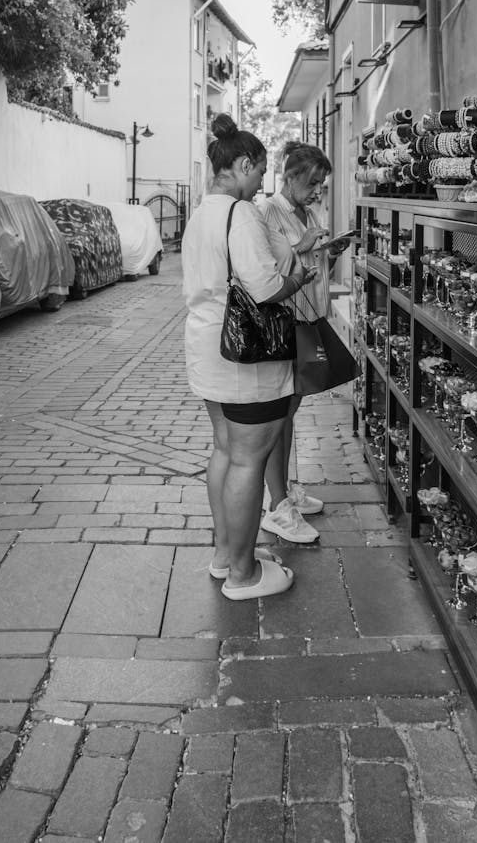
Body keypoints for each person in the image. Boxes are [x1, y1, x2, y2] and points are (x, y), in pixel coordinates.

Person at [181, 115, 316, 600]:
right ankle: (243, 573)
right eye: (259, 173)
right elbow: (264, 286)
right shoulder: (240, 215)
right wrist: (298, 280)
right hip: (243, 359)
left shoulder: (201, 212)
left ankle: (226, 555)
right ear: (241, 165)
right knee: (248, 463)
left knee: (225, 451)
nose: (262, 184)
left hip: (207, 350)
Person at [258, 142, 349, 543]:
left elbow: (313, 265)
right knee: (279, 413)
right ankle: (276, 505)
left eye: (322, 184)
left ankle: (286, 492)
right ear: (289, 176)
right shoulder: (269, 212)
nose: (317, 191)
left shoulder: (308, 212)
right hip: (285, 322)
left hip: (310, 318)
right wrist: (305, 246)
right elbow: (267, 269)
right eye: (312, 182)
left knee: (292, 408)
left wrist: (331, 251)